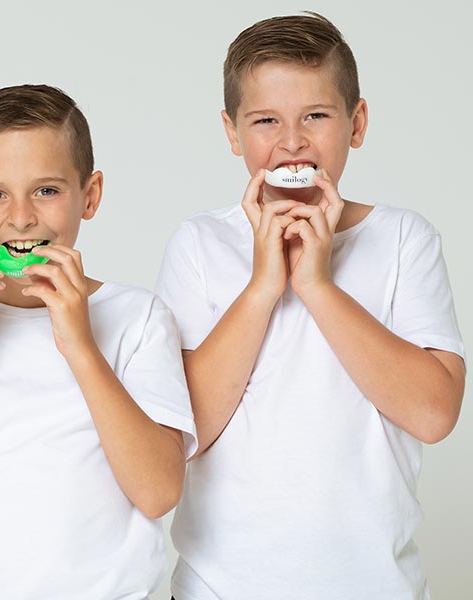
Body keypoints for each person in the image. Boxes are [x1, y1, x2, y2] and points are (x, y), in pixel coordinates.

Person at [156, 12, 466, 600]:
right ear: (231, 132)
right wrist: (263, 286)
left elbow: (434, 414)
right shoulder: (199, 244)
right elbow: (181, 430)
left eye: (316, 116)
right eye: (265, 120)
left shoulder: (404, 239)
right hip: (218, 588)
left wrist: (318, 285)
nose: (292, 141)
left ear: (357, 122)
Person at [0, 84, 197, 599]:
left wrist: (79, 344)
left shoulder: (137, 317)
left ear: (90, 195)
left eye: (47, 191)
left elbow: (159, 492)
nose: (21, 216)